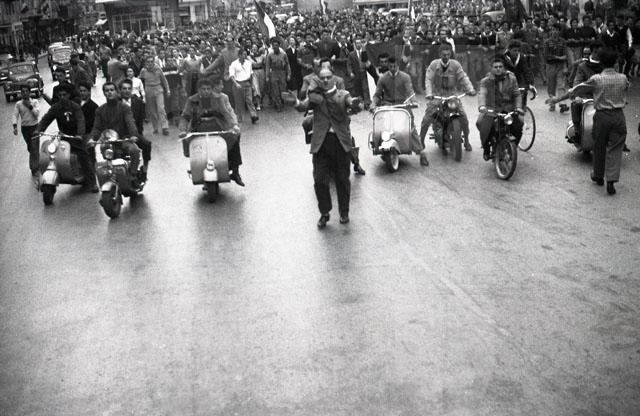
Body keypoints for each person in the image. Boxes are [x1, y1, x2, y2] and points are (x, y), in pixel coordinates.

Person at [288, 68, 363, 228]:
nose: (326, 80)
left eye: (329, 77)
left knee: (342, 180)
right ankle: (324, 212)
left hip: (340, 143)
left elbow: (351, 103)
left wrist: (356, 104)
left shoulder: (343, 94)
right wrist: (295, 102)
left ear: (334, 78)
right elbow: (302, 106)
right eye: (323, 78)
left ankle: (344, 212)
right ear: (319, 80)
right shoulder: (315, 97)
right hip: (321, 144)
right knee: (319, 180)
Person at [566, 48, 630, 195]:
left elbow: (577, 89)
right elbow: (626, 88)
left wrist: (561, 98)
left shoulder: (597, 79)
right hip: (619, 116)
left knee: (599, 146)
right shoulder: (623, 78)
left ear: (601, 63)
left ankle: (598, 175)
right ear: (615, 63)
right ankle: (611, 180)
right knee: (615, 149)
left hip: (602, 116)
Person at [179, 78, 245, 187]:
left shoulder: (220, 98)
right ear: (198, 90)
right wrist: (183, 130)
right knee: (188, 141)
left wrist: (234, 125)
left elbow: (227, 113)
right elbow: (185, 116)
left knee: (234, 138)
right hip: (198, 129)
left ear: (211, 89)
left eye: (208, 89)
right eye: (203, 89)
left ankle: (235, 171)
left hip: (218, 127)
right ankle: (196, 166)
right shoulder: (192, 100)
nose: (206, 91)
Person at [35, 83, 97, 192]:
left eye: (64, 95)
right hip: (64, 137)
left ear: (69, 95)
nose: (62, 97)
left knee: (84, 156)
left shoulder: (75, 107)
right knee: (52, 155)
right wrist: (39, 130)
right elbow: (46, 118)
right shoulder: (56, 107)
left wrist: (79, 134)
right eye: (60, 95)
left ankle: (92, 183)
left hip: (76, 138)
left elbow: (81, 120)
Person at [371, 57, 429, 166]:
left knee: (410, 127)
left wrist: (414, 101)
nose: (393, 68)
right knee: (381, 125)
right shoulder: (383, 78)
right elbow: (377, 94)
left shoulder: (405, 77)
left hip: (402, 105)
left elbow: (410, 91)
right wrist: (373, 104)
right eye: (390, 66)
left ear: (398, 65)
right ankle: (380, 147)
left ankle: (421, 152)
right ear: (388, 66)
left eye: (395, 66)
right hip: (388, 106)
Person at [87, 82, 151, 181]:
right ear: (104, 93)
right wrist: (92, 139)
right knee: (104, 153)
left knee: (134, 150)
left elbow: (130, 122)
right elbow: (97, 127)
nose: (109, 92)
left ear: (116, 92)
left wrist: (133, 135)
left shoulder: (124, 107)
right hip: (108, 141)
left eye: (112, 90)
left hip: (123, 139)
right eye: (107, 90)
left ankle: (133, 174)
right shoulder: (100, 110)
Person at [420, 43, 476, 152]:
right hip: (437, 95)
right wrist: (429, 93)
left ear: (451, 54)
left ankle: (467, 140)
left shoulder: (455, 65)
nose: (446, 57)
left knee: (463, 117)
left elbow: (463, 77)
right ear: (440, 54)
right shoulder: (434, 64)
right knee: (427, 118)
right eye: (444, 55)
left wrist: (470, 89)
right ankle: (421, 140)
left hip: (452, 95)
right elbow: (428, 79)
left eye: (448, 55)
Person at [548, 41, 604, 145]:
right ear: (593, 52)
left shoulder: (606, 65)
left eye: (601, 53)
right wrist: (577, 96)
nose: (599, 55)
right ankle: (577, 132)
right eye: (596, 52)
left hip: (603, 99)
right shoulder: (582, 66)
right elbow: (577, 85)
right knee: (575, 104)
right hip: (586, 98)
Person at [476, 57, 524, 161]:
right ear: (491, 68)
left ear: (504, 68)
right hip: (491, 109)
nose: (498, 69)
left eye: (500, 66)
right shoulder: (486, 81)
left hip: (508, 109)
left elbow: (517, 94)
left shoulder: (512, 78)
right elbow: (482, 94)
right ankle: (486, 148)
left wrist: (518, 107)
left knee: (519, 125)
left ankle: (512, 148)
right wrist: (482, 106)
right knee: (481, 124)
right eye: (495, 67)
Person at [12, 85, 40, 176]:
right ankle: (36, 163)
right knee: (30, 147)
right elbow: (15, 115)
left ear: (29, 92)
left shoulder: (35, 102)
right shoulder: (18, 104)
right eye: (23, 91)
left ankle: (34, 168)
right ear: (21, 93)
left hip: (34, 127)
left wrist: (30, 106)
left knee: (34, 147)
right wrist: (15, 126)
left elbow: (36, 114)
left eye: (26, 91)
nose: (25, 93)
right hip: (25, 129)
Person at [139, 56, 171, 135]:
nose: (150, 63)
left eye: (151, 61)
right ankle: (155, 127)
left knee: (161, 108)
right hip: (148, 90)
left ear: (154, 62)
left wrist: (168, 90)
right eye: (148, 61)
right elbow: (140, 80)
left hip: (158, 89)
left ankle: (165, 127)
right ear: (146, 62)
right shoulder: (143, 70)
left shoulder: (158, 69)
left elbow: (164, 80)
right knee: (152, 111)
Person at [229, 49, 258, 124]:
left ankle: (253, 115)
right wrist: (236, 84)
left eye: (246, 54)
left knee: (249, 100)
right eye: (243, 54)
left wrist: (252, 85)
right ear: (239, 55)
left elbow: (251, 74)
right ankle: (238, 117)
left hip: (247, 83)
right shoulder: (234, 64)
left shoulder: (248, 63)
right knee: (238, 102)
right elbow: (231, 76)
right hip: (238, 83)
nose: (245, 56)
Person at [544, 24, 568, 111]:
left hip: (560, 66)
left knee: (561, 85)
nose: (555, 31)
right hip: (550, 66)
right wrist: (558, 57)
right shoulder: (547, 42)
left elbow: (565, 55)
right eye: (553, 29)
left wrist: (565, 65)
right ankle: (552, 103)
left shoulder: (563, 41)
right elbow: (546, 56)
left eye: (557, 30)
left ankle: (562, 103)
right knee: (551, 86)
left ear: (559, 31)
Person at [266, 38, 291, 112]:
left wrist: (289, 74)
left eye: (276, 45)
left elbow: (287, 65)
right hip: (274, 73)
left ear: (279, 46)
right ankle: (278, 105)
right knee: (275, 90)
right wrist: (267, 76)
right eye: (273, 45)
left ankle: (282, 101)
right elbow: (267, 66)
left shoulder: (284, 54)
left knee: (283, 89)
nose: (275, 47)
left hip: (282, 72)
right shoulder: (270, 55)